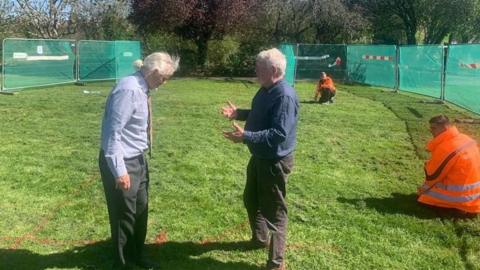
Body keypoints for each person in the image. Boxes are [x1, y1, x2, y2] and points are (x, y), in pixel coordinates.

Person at [99, 52, 179, 269]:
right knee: (123, 214)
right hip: (123, 161)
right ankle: (122, 262)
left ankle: (137, 254)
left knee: (140, 209)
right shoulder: (128, 90)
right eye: (163, 78)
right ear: (153, 72)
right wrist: (119, 171)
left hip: (138, 159)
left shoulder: (143, 88)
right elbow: (112, 133)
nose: (164, 83)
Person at [222, 48, 299, 270]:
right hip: (259, 157)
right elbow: (260, 114)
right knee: (251, 200)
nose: (255, 71)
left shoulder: (283, 95)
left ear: (273, 70)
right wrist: (240, 114)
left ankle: (276, 263)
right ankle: (260, 238)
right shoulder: (266, 89)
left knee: (275, 212)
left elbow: (278, 134)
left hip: (274, 161)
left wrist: (246, 136)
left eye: (259, 68)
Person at [417, 115, 480, 216]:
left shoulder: (446, 147)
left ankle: (456, 208)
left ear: (445, 128)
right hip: (475, 195)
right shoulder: (465, 138)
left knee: (423, 199)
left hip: (460, 197)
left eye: (434, 128)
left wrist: (422, 190)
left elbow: (432, 175)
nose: (431, 131)